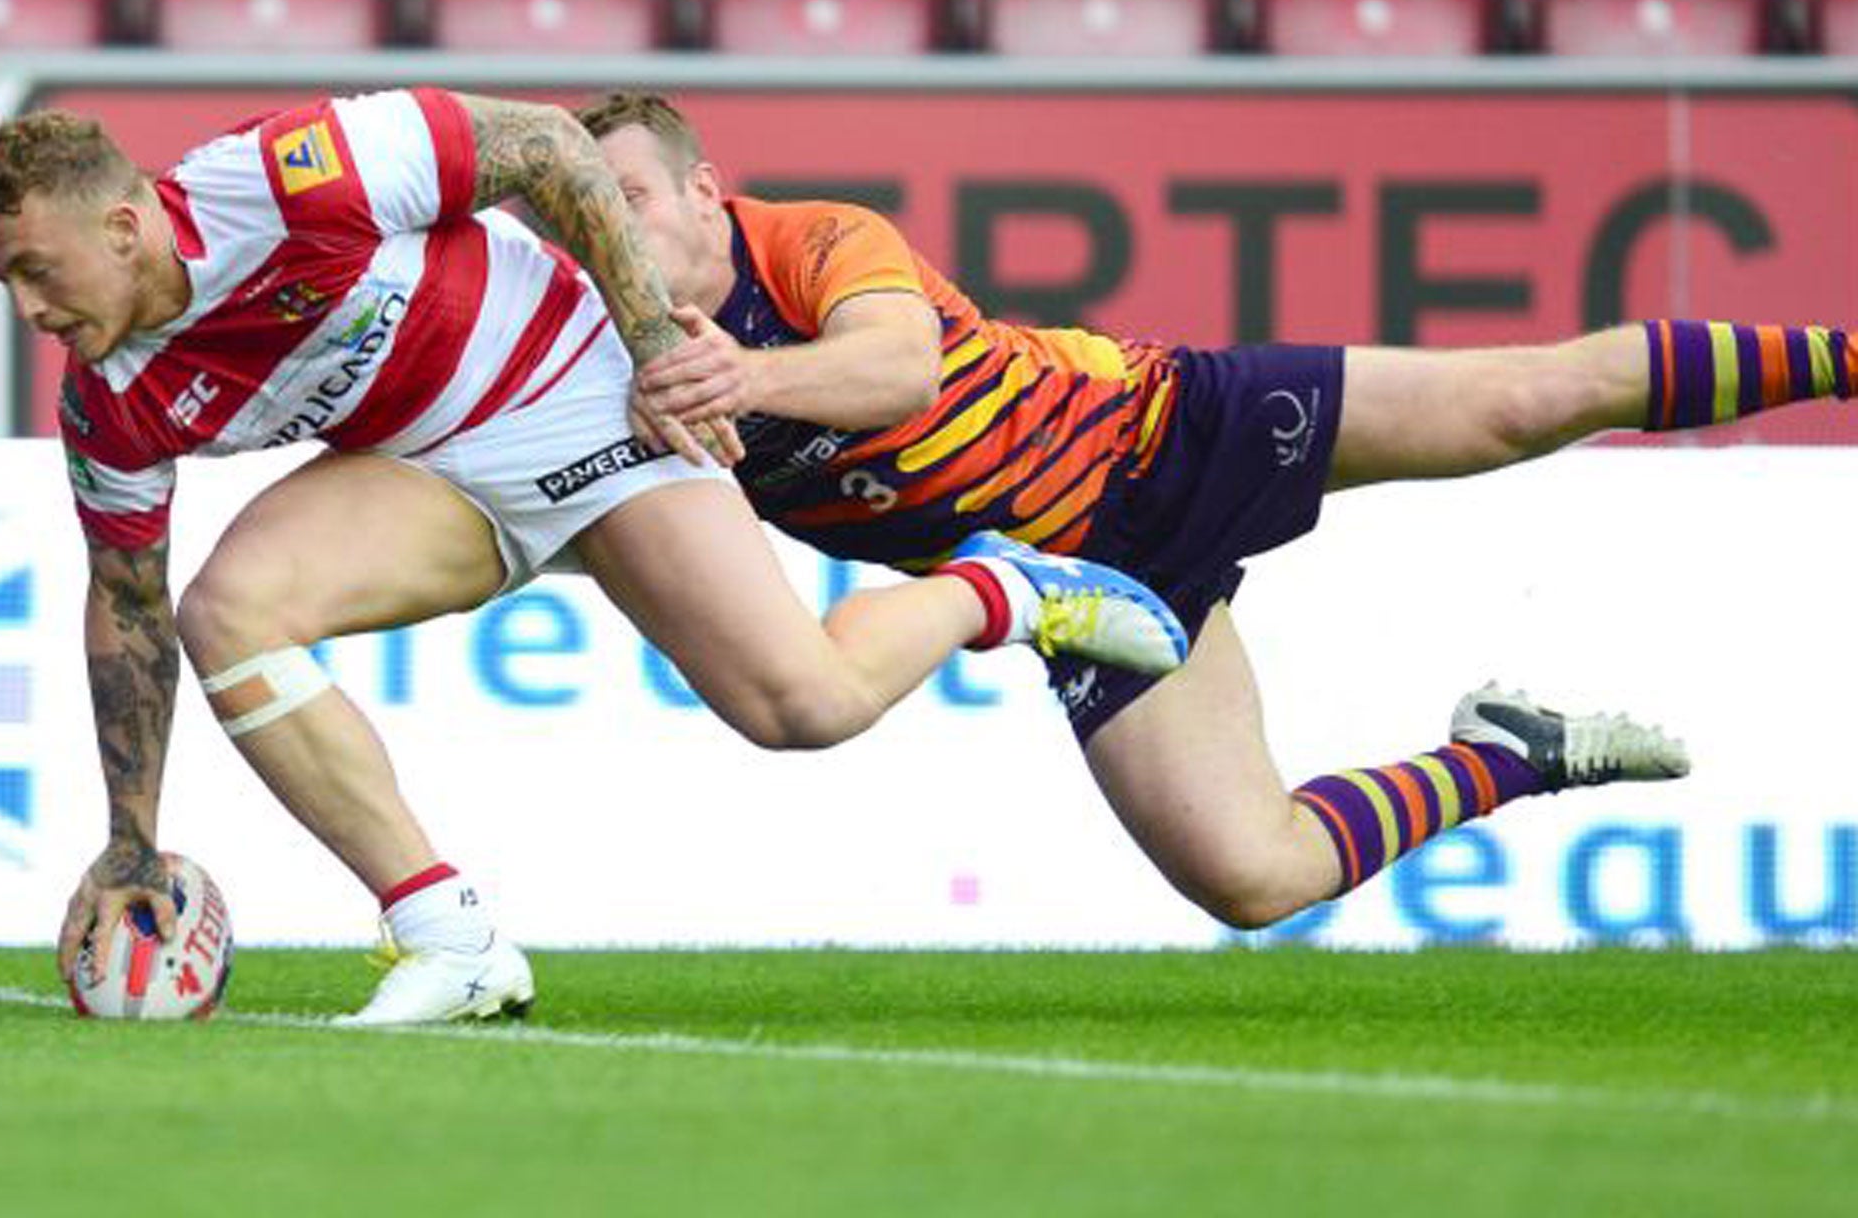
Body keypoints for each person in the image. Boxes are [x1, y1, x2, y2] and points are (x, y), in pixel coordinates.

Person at [0, 88, 1189, 1024]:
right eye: (7, 280)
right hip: (431, 470)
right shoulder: (110, 400)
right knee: (228, 612)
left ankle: (1007, 590)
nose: (28, 308)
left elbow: (545, 142)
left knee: (800, 704)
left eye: (34, 271)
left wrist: (652, 342)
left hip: (587, 390)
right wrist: (129, 842)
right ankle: (451, 938)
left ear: (121, 227)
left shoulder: (283, 176)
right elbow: (125, 610)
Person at [586, 90, 1856, 933]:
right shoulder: (609, 371)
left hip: (1165, 427)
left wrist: (742, 381)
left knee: (1525, 398)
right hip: (1088, 593)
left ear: (705, 194)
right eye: (583, 217)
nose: (613, 237)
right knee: (1253, 879)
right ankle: (1511, 753)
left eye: (629, 200)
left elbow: (896, 369)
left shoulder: (809, 237)